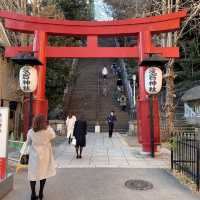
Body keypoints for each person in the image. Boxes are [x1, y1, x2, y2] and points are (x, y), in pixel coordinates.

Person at [27, 114, 56, 200]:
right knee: (43, 173)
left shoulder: (31, 132)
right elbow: (53, 135)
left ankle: (33, 194)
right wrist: (49, 126)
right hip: (45, 156)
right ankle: (41, 193)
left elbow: (28, 142)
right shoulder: (48, 131)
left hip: (34, 157)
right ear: (44, 122)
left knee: (33, 174)